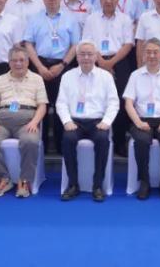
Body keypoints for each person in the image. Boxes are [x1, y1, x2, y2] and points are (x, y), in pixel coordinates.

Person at [57, 41, 120, 202]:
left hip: (97, 122)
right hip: (75, 122)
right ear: (77, 57)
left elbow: (114, 102)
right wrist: (67, 121)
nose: (86, 57)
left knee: (102, 140)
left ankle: (97, 185)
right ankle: (73, 184)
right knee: (68, 140)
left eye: (90, 54)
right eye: (82, 54)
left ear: (96, 56)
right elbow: (61, 103)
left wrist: (106, 122)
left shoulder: (106, 77)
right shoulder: (67, 76)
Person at [0, 46, 48, 198]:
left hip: (27, 122)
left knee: (30, 141)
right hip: (2, 122)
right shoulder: (0, 79)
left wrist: (34, 122)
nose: (18, 63)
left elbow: (42, 106)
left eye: (21, 60)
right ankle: (3, 178)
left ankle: (24, 180)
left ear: (28, 61)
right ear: (9, 62)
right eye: (14, 60)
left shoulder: (37, 79)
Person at [123, 39, 160, 200]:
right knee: (142, 141)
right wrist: (138, 122)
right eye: (148, 52)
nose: (151, 55)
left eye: (155, 52)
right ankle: (144, 181)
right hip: (141, 119)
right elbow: (128, 103)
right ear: (143, 55)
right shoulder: (135, 75)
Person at [23, 0, 80, 153]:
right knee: (41, 104)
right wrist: (39, 67)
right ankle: (42, 145)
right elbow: (28, 44)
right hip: (40, 64)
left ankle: (61, 145)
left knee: (62, 105)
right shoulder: (35, 18)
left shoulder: (70, 18)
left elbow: (75, 45)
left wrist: (62, 65)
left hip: (63, 65)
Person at [82, 0, 136, 155]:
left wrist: (111, 62)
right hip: (94, 61)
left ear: (117, 0)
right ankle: (96, 136)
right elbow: (87, 42)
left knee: (120, 101)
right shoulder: (91, 19)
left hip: (119, 62)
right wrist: (102, 62)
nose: (109, 1)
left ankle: (119, 141)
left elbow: (128, 44)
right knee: (96, 98)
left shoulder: (125, 19)